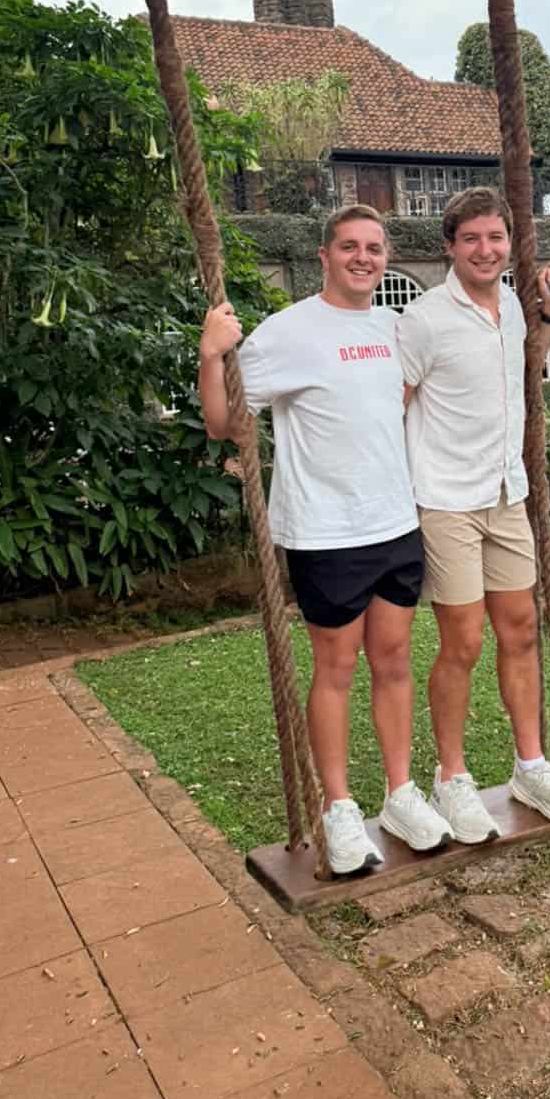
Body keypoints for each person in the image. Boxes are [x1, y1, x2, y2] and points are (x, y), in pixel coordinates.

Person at [197, 205, 453, 876]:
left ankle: (399, 793)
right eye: (349, 247)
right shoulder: (287, 333)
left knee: (393, 661)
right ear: (324, 255)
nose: (362, 258)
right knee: (335, 669)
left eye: (373, 248)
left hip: (396, 523)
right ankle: (339, 808)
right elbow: (225, 423)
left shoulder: (393, 328)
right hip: (326, 532)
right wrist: (209, 352)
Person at [396, 186, 550, 842]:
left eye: (495, 238)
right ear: (449, 247)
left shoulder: (510, 303)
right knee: (464, 642)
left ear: (509, 246)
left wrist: (548, 304)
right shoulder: (421, 319)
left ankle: (529, 764)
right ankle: (451, 777)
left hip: (508, 496)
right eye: (471, 238)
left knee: (520, 632)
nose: (484, 249)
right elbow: (391, 404)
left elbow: (530, 352)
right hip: (446, 499)